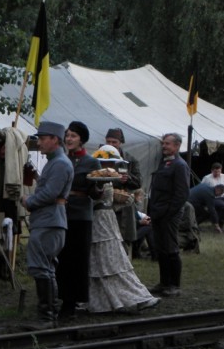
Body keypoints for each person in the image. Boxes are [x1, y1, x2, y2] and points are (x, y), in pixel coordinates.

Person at [86, 148, 159, 314]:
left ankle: (130, 296)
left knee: (113, 260)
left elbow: (112, 200)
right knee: (100, 260)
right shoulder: (97, 177)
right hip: (99, 220)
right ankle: (102, 300)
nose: (111, 166)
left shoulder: (109, 179)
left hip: (107, 219)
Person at [20, 121, 73, 329]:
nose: (39, 143)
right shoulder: (56, 162)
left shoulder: (59, 163)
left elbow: (51, 193)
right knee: (46, 268)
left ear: (55, 140)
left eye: (43, 139)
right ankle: (49, 315)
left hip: (49, 220)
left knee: (42, 268)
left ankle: (47, 317)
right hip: (49, 220)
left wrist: (29, 201)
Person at [56, 121, 102, 319]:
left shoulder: (92, 163)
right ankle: (59, 296)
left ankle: (71, 303)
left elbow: (96, 194)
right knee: (61, 257)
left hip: (81, 215)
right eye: (67, 135)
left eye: (73, 136)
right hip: (61, 213)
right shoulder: (61, 159)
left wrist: (98, 187)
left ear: (81, 140)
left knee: (77, 259)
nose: (69, 139)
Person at [148, 133, 190, 297]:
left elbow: (181, 194)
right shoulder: (165, 163)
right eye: (163, 143)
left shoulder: (179, 165)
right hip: (158, 211)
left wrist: (169, 212)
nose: (164, 146)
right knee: (161, 249)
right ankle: (164, 282)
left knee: (171, 248)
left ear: (177, 146)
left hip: (169, 214)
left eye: (167, 144)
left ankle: (174, 284)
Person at [104, 128, 143, 252]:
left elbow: (138, 182)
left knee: (124, 239)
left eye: (114, 142)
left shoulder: (130, 160)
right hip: (106, 204)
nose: (111, 145)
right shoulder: (100, 158)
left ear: (120, 142)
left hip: (125, 205)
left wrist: (128, 179)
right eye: (108, 142)